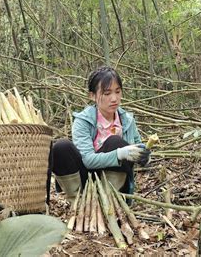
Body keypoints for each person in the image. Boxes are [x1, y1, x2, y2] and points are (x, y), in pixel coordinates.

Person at [51, 66, 151, 203]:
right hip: (86, 182)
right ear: (92, 95)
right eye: (107, 93)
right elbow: (88, 160)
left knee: (116, 141)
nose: (114, 98)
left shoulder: (127, 120)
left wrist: (144, 157)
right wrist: (120, 154)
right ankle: (77, 201)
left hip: (115, 188)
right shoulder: (82, 121)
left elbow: (138, 149)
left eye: (118, 91)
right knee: (61, 147)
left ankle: (109, 201)